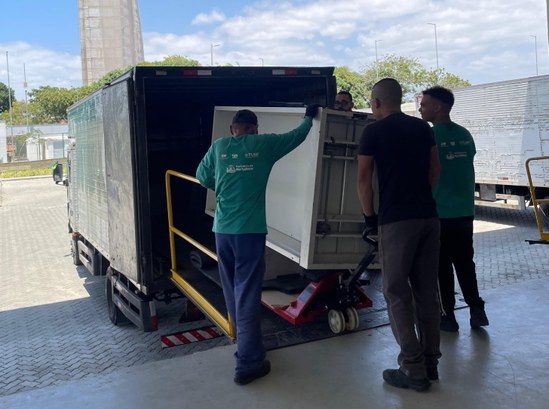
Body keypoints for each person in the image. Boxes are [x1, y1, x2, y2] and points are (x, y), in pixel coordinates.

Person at [196, 105, 320, 385]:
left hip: (222, 230)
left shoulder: (219, 146)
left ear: (233, 129)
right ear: (255, 128)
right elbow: (297, 136)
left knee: (232, 291)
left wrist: (227, 186)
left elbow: (202, 177)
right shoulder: (264, 144)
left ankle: (244, 345)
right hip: (249, 232)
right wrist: (309, 117)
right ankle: (249, 363)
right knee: (248, 293)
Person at [357, 78, 441, 392]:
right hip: (428, 217)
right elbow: (436, 170)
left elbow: (364, 179)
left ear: (376, 103)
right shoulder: (423, 129)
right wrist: (422, 197)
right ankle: (431, 363)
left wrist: (369, 217)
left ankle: (412, 368)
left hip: (396, 222)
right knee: (426, 291)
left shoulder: (373, 132)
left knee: (395, 292)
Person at [419, 86, 489, 332]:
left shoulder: (428, 136)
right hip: (465, 212)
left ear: (438, 107)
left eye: (424, 105)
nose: (420, 109)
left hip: (440, 214)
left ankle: (447, 316)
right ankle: (476, 308)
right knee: (465, 262)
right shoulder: (465, 134)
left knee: (441, 268)